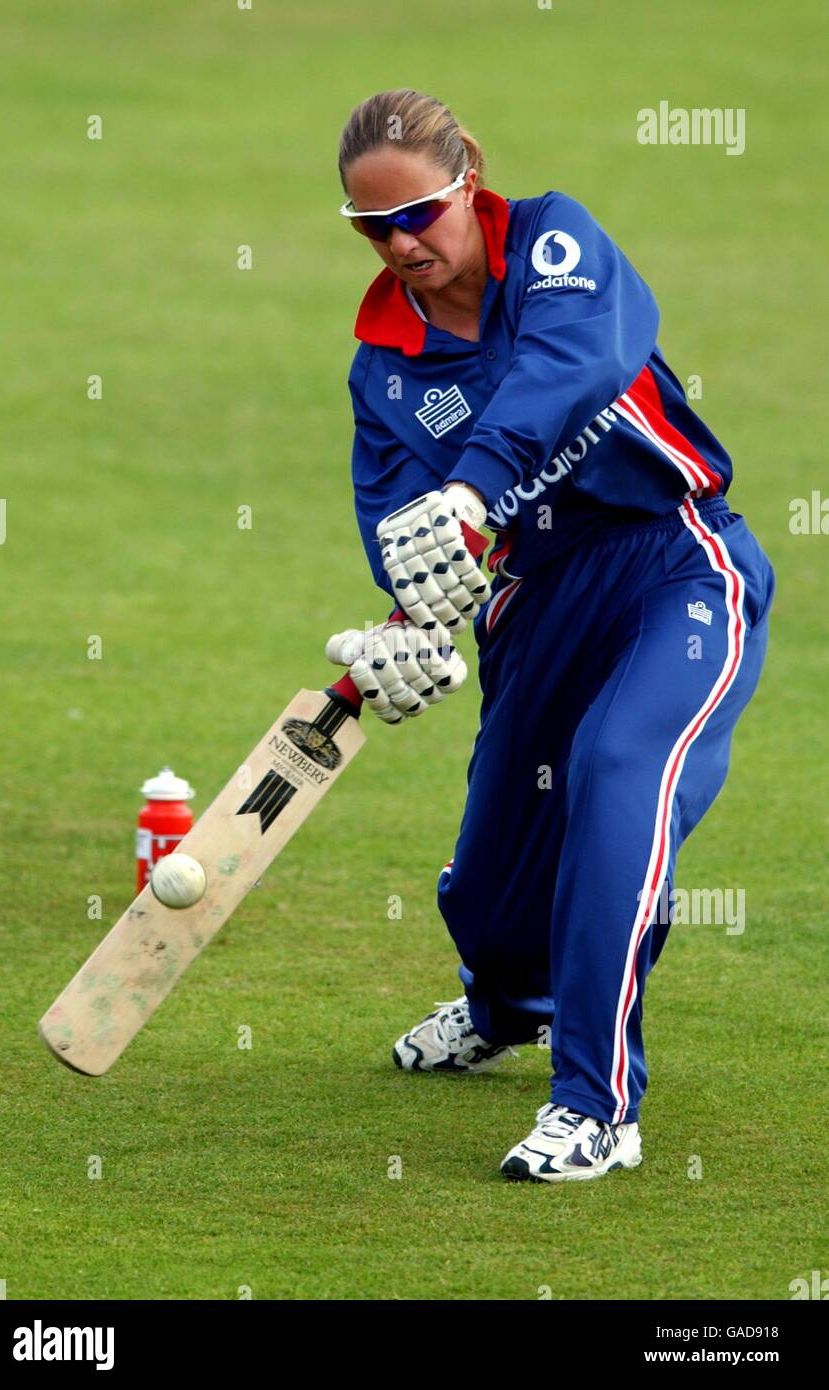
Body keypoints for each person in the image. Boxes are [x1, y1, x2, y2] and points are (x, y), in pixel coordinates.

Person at [325, 89, 775, 1184]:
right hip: (534, 601)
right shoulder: (382, 365)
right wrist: (405, 622)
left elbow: (572, 368)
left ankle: (595, 1102)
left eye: (419, 213)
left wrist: (473, 489)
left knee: (612, 772)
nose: (400, 244)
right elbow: (402, 522)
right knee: (487, 882)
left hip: (673, 562)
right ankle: (506, 1007)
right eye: (368, 228)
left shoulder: (556, 243)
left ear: (466, 181)